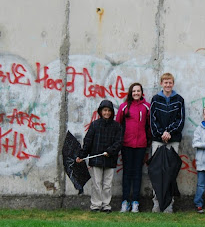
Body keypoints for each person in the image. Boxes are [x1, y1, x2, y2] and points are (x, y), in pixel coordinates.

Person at [76, 100, 122, 213]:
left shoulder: (116, 126)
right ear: (100, 112)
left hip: (110, 159)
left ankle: (106, 205)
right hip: (96, 159)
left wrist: (110, 151)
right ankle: (96, 205)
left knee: (107, 184)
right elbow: (88, 141)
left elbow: (119, 142)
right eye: (104, 110)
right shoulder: (95, 125)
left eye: (109, 111)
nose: (106, 113)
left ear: (112, 112)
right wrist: (82, 155)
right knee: (96, 183)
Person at [149, 72, 185, 213]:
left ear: (173, 84)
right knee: (157, 172)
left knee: (170, 172)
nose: (168, 85)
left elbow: (180, 121)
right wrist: (161, 133)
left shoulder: (179, 99)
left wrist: (169, 132)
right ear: (161, 83)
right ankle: (157, 203)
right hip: (158, 141)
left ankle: (169, 204)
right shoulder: (155, 99)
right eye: (165, 82)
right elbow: (153, 120)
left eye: (170, 82)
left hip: (173, 141)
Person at [116, 82, 151, 213]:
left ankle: (135, 202)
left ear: (142, 93)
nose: (136, 93)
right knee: (127, 174)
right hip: (126, 145)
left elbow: (149, 126)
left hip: (141, 145)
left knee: (137, 174)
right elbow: (118, 124)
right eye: (134, 91)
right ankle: (125, 201)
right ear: (131, 93)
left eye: (138, 91)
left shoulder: (147, 107)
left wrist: (147, 140)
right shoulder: (124, 106)